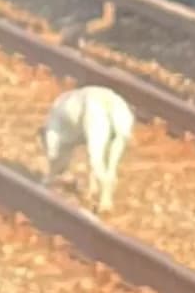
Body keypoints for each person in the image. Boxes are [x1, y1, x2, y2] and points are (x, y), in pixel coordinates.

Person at [39, 85, 135, 213]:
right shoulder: (63, 105)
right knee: (109, 162)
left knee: (96, 158)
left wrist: (51, 175)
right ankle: (98, 189)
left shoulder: (55, 120)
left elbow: (53, 152)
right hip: (114, 102)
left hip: (93, 106)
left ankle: (105, 198)